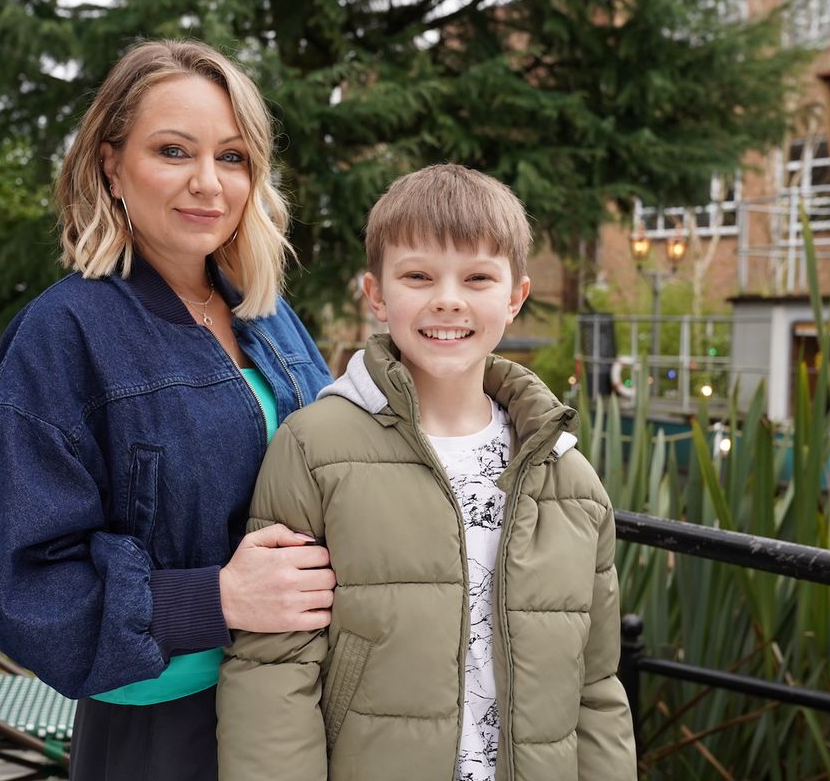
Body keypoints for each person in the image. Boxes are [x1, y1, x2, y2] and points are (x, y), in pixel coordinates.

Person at [0, 39, 336, 780]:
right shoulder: (64, 334)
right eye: (174, 151)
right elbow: (25, 582)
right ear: (111, 162)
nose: (209, 183)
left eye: (232, 157)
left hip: (295, 696)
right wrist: (218, 598)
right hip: (163, 724)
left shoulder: (268, 317)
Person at [217, 164, 637, 780]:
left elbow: (596, 687)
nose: (448, 298)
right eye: (418, 276)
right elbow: (274, 672)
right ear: (378, 295)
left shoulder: (568, 476)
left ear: (515, 296)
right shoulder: (314, 447)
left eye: (477, 277)